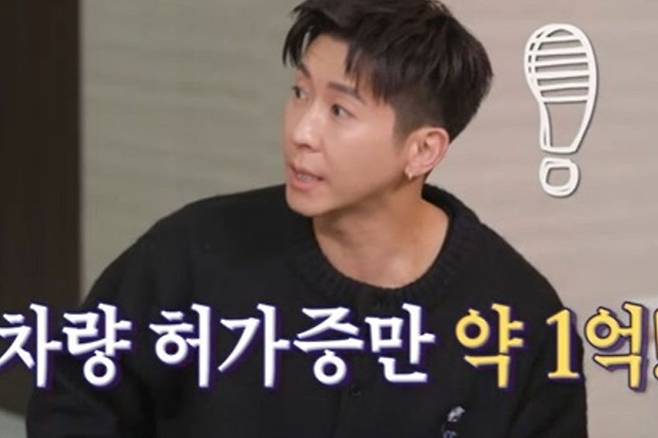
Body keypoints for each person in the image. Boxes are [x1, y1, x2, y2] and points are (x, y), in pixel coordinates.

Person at [26, 0, 588, 436]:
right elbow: (73, 398)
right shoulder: (194, 253)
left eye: (339, 110)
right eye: (300, 92)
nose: (301, 131)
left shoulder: (522, 320)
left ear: (422, 150)